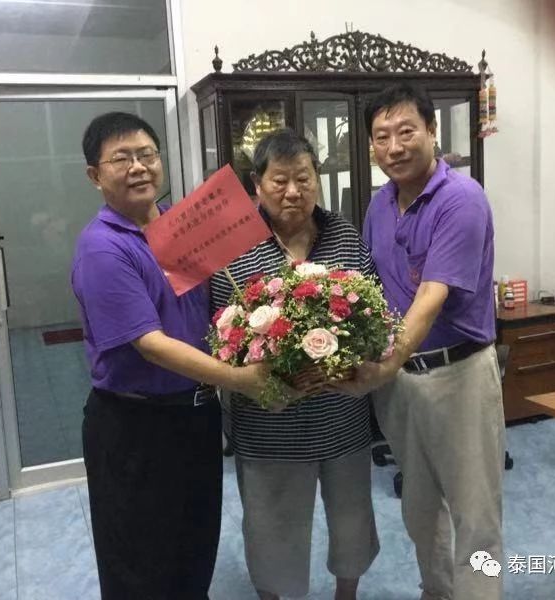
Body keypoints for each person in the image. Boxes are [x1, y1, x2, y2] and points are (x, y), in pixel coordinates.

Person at [71, 111, 268, 600]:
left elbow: (216, 302)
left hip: (195, 418)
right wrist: (239, 379)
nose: (139, 167)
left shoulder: (179, 226)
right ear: (94, 175)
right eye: (121, 159)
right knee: (141, 564)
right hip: (136, 427)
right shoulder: (103, 248)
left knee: (194, 547)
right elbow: (150, 344)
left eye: (147, 155)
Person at [341, 85, 505, 600]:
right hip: (401, 385)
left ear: (432, 131)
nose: (394, 147)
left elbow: (431, 296)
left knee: (474, 515)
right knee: (420, 508)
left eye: (406, 131)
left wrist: (384, 366)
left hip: (458, 376)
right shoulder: (379, 205)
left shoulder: (461, 199)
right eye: (381, 136)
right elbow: (371, 290)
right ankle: (436, 591)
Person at [210, 129, 380, 600]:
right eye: (279, 180)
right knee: (270, 528)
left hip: (342, 417)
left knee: (351, 519)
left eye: (303, 178)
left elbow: (373, 312)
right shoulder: (234, 245)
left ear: (317, 179)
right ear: (256, 185)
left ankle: (347, 593)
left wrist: (352, 359)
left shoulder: (344, 233)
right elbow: (220, 333)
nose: (292, 191)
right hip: (269, 424)